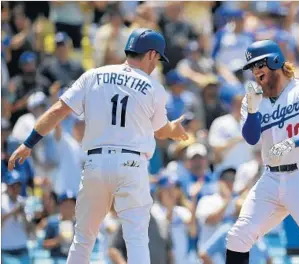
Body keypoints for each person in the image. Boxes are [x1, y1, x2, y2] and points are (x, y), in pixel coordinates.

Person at [7, 28, 189, 264]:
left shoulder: (93, 75)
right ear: (152, 54)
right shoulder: (153, 87)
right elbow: (162, 130)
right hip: (131, 165)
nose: (156, 65)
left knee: (83, 238)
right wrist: (176, 130)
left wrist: (28, 143)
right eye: (157, 59)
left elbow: (58, 110)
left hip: (95, 163)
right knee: (136, 238)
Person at [225, 39, 299, 264]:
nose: (255, 72)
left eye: (259, 65)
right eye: (252, 68)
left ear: (275, 61)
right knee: (238, 237)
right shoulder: (253, 99)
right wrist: (252, 111)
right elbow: (251, 138)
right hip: (271, 177)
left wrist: (293, 142)